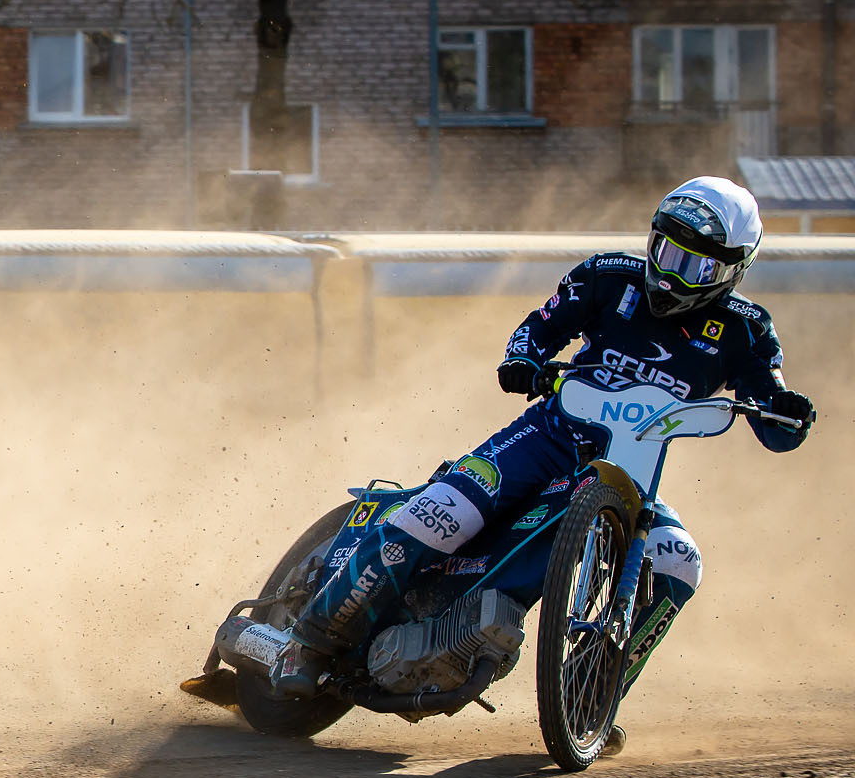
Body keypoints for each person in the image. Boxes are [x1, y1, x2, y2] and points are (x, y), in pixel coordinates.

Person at [271, 177, 816, 728]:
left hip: (630, 473)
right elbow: (537, 329)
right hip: (545, 437)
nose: (672, 274)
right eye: (666, 252)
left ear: (732, 271)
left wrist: (789, 414)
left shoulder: (747, 330)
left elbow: (771, 410)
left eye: (695, 266)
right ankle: (306, 643)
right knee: (442, 515)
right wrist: (524, 360)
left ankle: (592, 694)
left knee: (679, 562)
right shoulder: (607, 276)